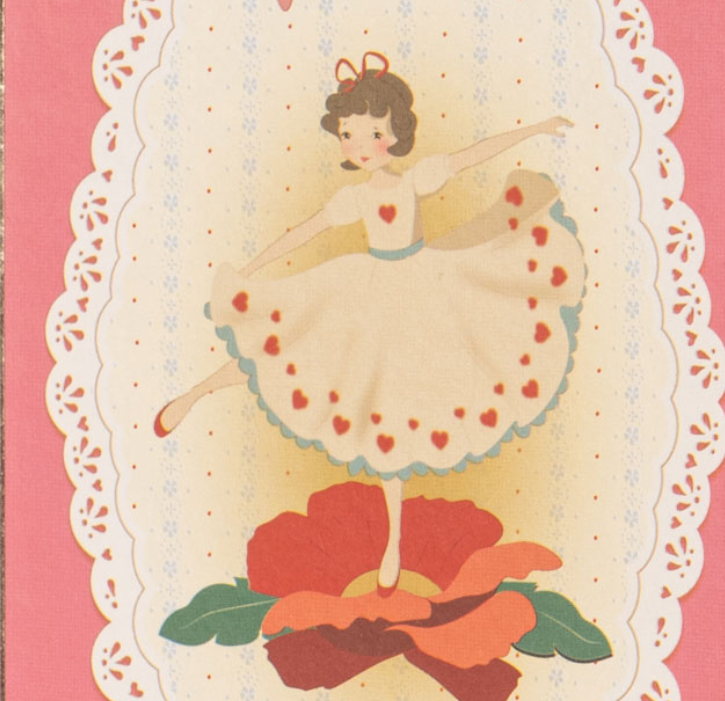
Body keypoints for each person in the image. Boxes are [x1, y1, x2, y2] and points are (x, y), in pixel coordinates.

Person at [154, 52, 586, 587]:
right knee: (284, 344)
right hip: (363, 290)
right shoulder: (352, 198)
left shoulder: (416, 180)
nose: (360, 147)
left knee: (393, 412)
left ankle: (393, 544)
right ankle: (194, 394)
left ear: (395, 134)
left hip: (421, 291)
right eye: (348, 135)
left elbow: (473, 156)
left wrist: (536, 129)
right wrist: (250, 269)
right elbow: (302, 233)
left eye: (373, 134)